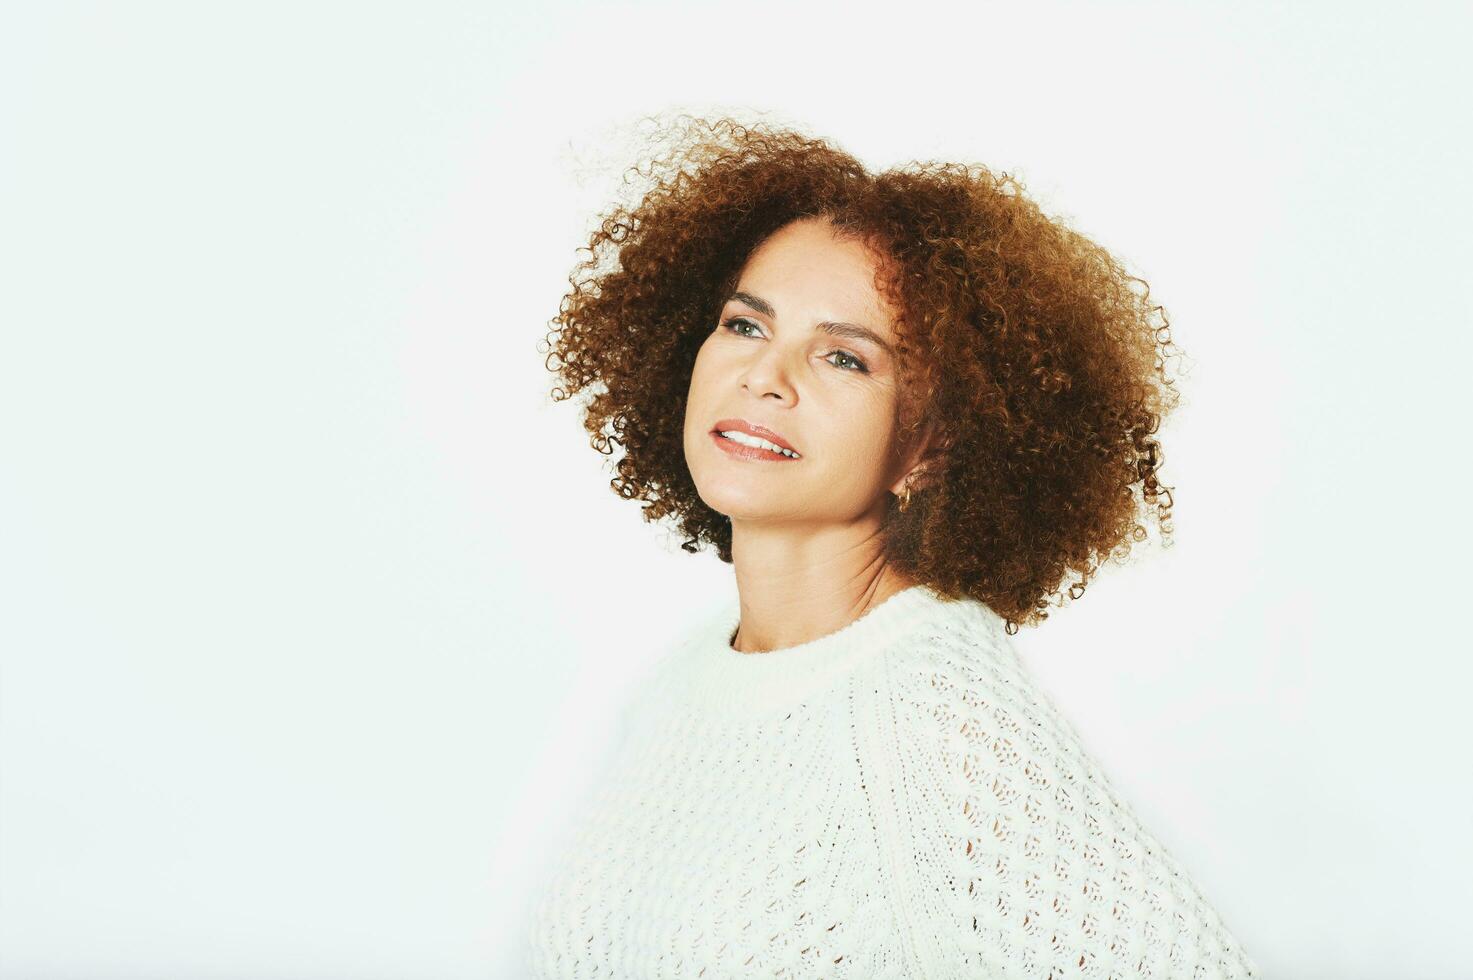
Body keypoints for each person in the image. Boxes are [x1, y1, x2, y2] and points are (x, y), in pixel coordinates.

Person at [522, 115, 1260, 978]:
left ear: (932, 446)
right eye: (745, 326)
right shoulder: (676, 691)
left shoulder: (939, 714)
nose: (765, 376)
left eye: (843, 359)